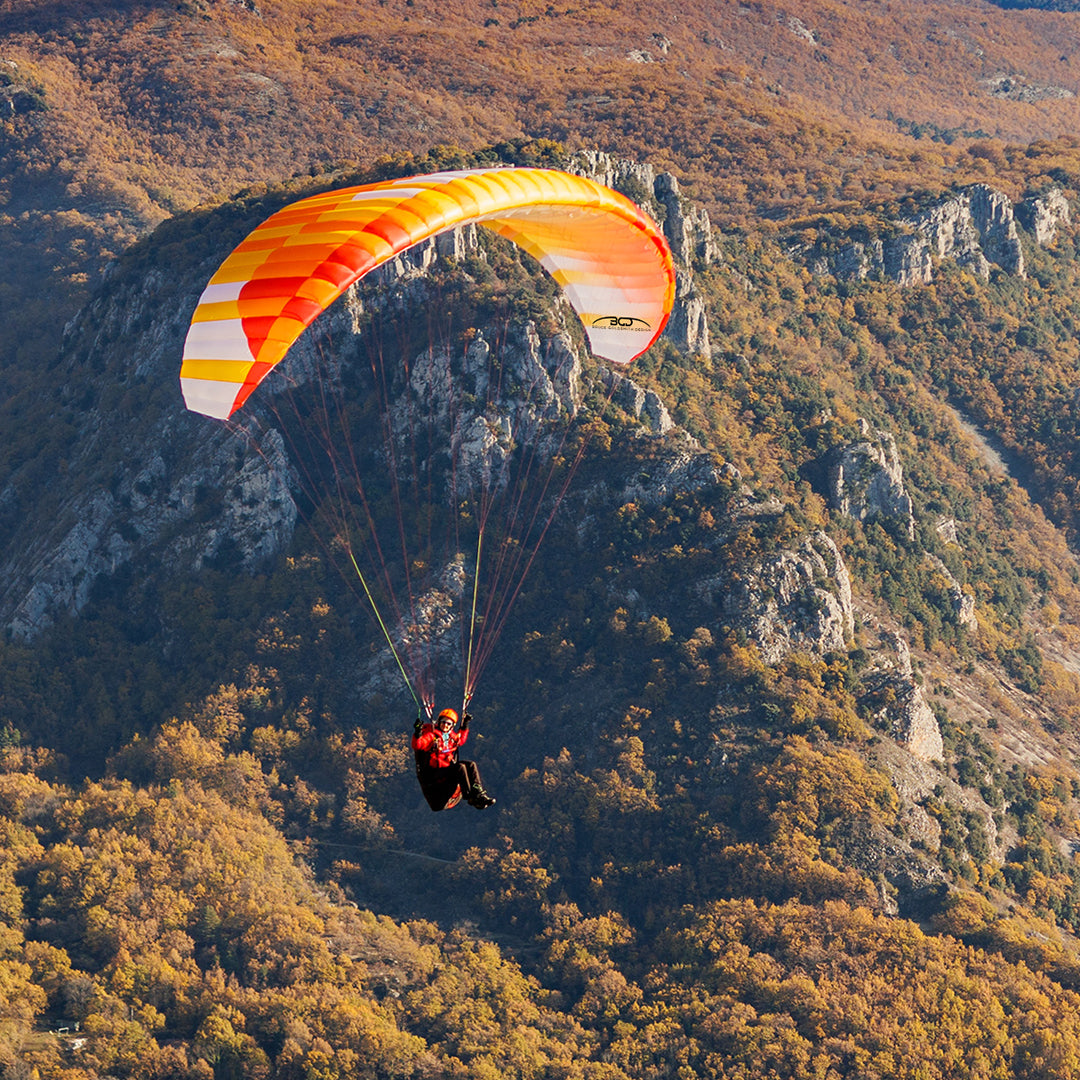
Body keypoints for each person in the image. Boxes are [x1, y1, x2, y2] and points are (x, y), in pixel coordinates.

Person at [412, 707, 496, 811]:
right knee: (460, 768)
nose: (445, 725)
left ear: (452, 726)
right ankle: (469, 796)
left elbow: (460, 740)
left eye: (448, 724)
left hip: (446, 769)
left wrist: (465, 725)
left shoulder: (451, 737)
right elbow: (418, 745)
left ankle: (479, 793)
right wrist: (418, 733)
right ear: (439, 722)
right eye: (443, 722)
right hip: (434, 773)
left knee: (471, 765)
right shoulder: (432, 735)